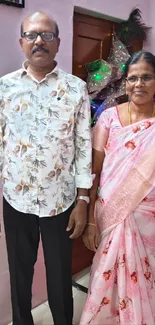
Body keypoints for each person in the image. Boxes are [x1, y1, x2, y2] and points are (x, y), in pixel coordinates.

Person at [0, 11, 92, 325]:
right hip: (16, 199)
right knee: (20, 272)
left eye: (47, 35)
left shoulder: (76, 89)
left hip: (61, 202)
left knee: (59, 275)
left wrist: (83, 200)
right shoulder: (5, 88)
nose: (39, 41)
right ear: (21, 42)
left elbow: (82, 147)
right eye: (31, 35)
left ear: (58, 42)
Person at [80, 50, 155, 325]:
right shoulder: (108, 119)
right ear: (125, 83)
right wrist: (90, 221)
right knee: (105, 280)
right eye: (133, 78)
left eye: (147, 77)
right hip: (109, 215)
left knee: (145, 284)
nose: (139, 84)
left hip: (149, 222)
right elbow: (94, 172)